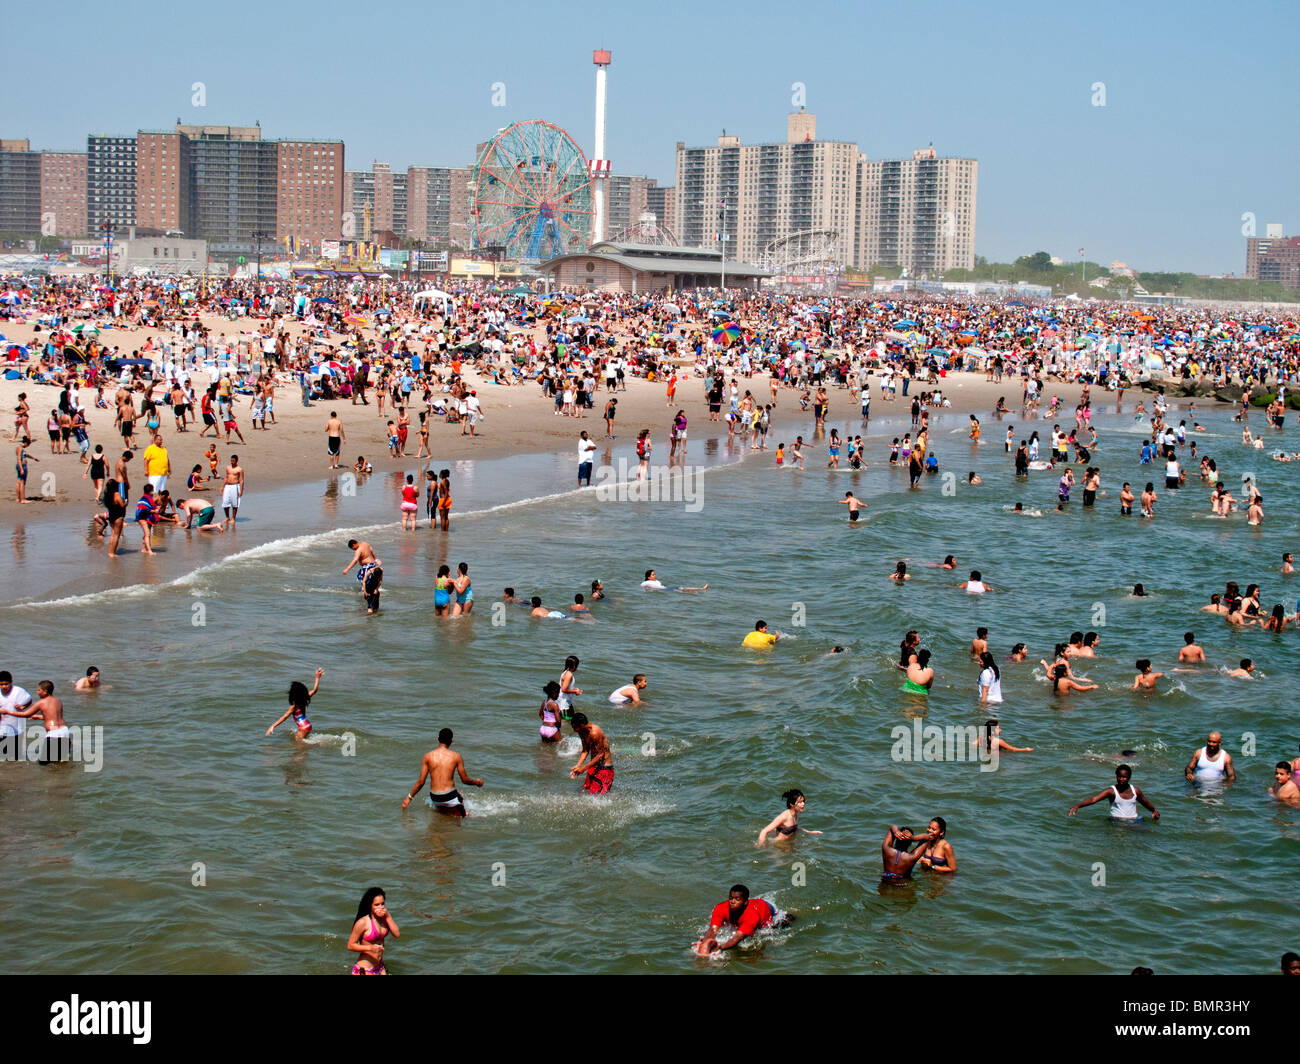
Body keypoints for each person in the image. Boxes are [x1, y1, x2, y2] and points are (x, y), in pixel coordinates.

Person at [402, 728, 484, 816]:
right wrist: (477, 782)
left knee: (452, 804)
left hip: (435, 797)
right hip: (449, 795)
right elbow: (464, 780)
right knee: (464, 818)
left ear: (438, 738)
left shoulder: (427, 756)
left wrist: (409, 798)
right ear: (452, 740)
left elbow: (421, 782)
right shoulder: (456, 756)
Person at [694, 884, 785, 955]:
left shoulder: (752, 916)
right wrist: (705, 942)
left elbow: (737, 938)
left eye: (737, 899)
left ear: (745, 902)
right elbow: (713, 930)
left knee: (780, 926)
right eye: (731, 898)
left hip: (767, 909)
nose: (732, 902)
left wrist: (719, 948)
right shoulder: (720, 908)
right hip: (753, 905)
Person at [4, 680, 70, 763]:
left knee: (44, 763)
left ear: (45, 691)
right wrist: (38, 717)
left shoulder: (41, 702)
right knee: (59, 761)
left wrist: (7, 712)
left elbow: (25, 714)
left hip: (54, 734)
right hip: (65, 731)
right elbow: (54, 716)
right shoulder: (58, 700)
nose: (37, 692)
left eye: (39, 690)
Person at [1068, 765, 1159, 820]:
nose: (1121, 779)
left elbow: (1146, 803)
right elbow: (1093, 799)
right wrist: (1078, 806)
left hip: (1133, 821)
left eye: (1124, 777)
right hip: (1116, 821)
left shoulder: (1135, 791)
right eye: (1119, 776)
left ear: (1129, 777)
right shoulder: (1111, 791)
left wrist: (1154, 811)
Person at [347, 888, 400, 975]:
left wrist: (387, 916)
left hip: (380, 967)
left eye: (382, 904)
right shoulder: (363, 922)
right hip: (365, 969)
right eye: (376, 905)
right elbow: (350, 945)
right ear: (370, 905)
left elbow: (397, 934)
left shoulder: (384, 919)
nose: (381, 907)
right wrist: (370, 948)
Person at [267, 668, 324, 741]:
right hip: (307, 725)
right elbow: (314, 690)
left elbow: (284, 717)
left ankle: (316, 743)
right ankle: (314, 743)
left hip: (303, 727)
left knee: (299, 747)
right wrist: (317, 678)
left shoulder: (293, 706)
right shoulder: (305, 698)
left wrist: (273, 726)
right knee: (299, 742)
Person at [757, 789, 823, 845]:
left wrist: (810, 832)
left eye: (803, 801)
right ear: (792, 804)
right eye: (800, 802)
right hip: (778, 846)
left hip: (789, 844)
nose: (803, 804)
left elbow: (794, 828)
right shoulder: (784, 817)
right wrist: (762, 845)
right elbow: (764, 831)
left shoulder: (797, 813)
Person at [569, 712, 613, 794]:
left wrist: (583, 768)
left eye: (574, 727)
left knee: (599, 796)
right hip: (593, 765)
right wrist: (578, 766)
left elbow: (600, 755)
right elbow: (585, 750)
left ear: (581, 725)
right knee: (586, 791)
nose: (573, 730)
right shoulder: (581, 731)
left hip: (604, 768)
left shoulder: (595, 733)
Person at [343, 539, 383, 614]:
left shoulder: (358, 550)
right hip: (373, 565)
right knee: (369, 579)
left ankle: (367, 593)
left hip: (367, 566)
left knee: (364, 580)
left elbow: (355, 560)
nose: (354, 550)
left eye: (353, 548)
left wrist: (347, 569)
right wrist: (375, 559)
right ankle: (373, 590)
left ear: (354, 544)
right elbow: (371, 550)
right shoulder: (365, 543)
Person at [0, 671, 33, 761]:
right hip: (1, 729)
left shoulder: (18, 691)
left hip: (16, 729)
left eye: (6, 684)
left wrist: (24, 706)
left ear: (11, 682)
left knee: (14, 757)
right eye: (1, 684)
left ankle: (15, 773)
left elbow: (29, 699)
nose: (3, 687)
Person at [221, 454, 244, 525]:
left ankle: (233, 518)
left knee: (235, 504)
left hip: (235, 486)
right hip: (228, 486)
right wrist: (222, 486)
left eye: (233, 461)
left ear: (237, 461)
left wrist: (241, 490)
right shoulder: (228, 467)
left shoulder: (239, 469)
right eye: (231, 460)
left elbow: (241, 480)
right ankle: (227, 517)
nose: (232, 462)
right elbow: (226, 477)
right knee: (225, 502)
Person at [641, 569, 707, 592]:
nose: (655, 575)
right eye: (653, 575)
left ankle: (701, 589)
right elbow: (643, 585)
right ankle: (700, 589)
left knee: (682, 588)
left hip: (666, 588)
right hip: (665, 589)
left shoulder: (656, 581)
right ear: (648, 577)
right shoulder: (646, 582)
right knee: (682, 590)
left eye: (654, 574)